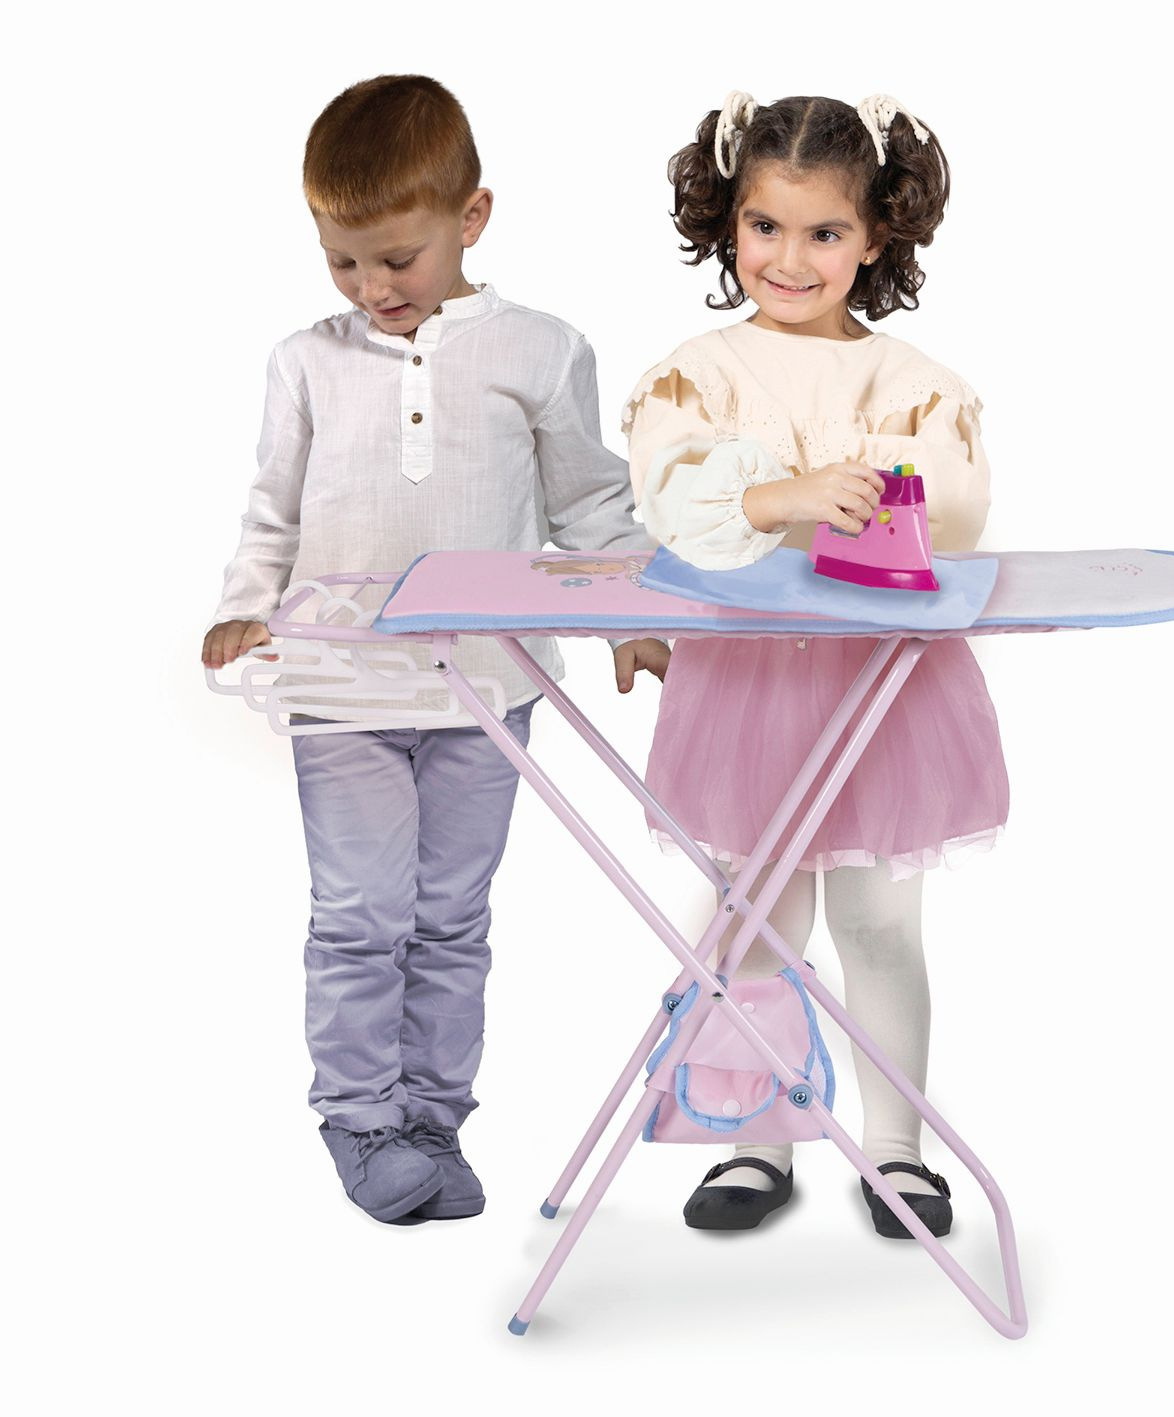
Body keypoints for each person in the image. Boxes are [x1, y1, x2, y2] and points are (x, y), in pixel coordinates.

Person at [203, 75, 668, 1224]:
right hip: (340, 686)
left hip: (488, 688)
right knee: (362, 915)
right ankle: (361, 1119)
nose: (372, 288)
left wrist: (633, 613)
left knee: (454, 916)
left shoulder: (542, 351)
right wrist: (244, 605)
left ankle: (433, 1117)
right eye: (342, 262)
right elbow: (272, 509)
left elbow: (589, 501)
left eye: (397, 259)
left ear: (472, 217)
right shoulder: (305, 362)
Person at [623, 92, 1008, 1235]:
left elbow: (955, 511)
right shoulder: (695, 374)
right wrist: (789, 494)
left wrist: (811, 499)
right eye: (765, 226)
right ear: (729, 221)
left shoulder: (917, 383)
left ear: (875, 235)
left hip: (882, 688)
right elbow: (671, 501)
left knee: (880, 925)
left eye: (824, 232)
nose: (788, 260)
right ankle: (758, 1138)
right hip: (749, 689)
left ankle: (896, 1149)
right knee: (751, 922)